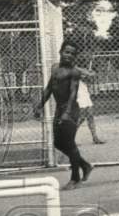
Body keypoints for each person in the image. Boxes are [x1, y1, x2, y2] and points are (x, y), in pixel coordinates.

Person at [34, 40, 92, 189]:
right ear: (60, 52)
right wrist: (40, 105)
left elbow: (73, 93)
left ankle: (75, 178)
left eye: (73, 54)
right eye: (67, 52)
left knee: (70, 143)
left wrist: (67, 113)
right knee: (58, 143)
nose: (69, 56)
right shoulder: (54, 69)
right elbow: (49, 89)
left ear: (75, 57)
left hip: (71, 110)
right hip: (59, 109)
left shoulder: (74, 72)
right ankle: (85, 165)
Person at [76, 72, 105, 144]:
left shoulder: (83, 78)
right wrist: (86, 74)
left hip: (86, 97)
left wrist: (88, 74)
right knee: (81, 118)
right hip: (79, 98)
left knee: (90, 117)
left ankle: (95, 137)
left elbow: (91, 76)